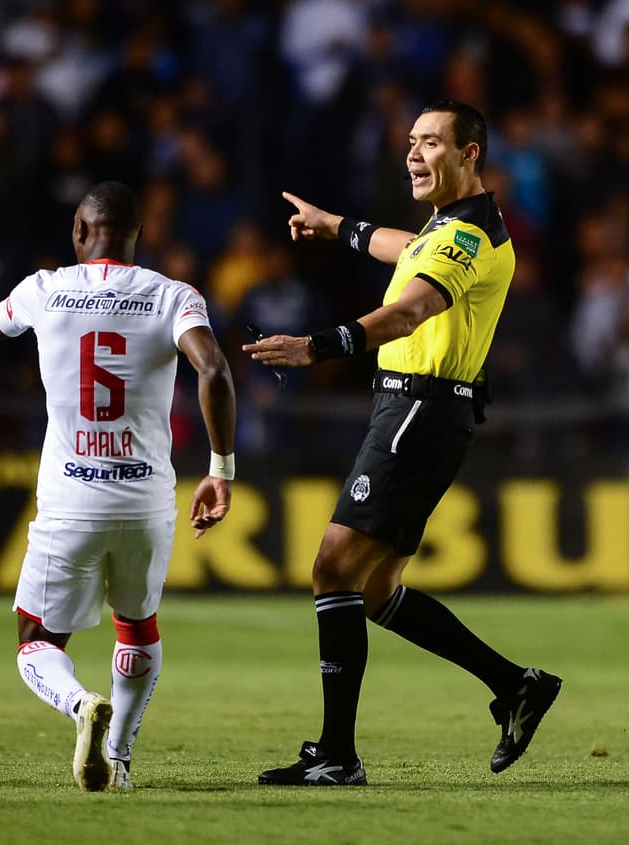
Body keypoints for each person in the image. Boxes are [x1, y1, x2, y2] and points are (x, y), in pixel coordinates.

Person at [246, 99, 561, 786]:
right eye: (411, 141)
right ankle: (515, 684)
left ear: (470, 153)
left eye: (431, 142)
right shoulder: (452, 226)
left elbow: (411, 307)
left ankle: (337, 754)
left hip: (419, 409)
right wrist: (338, 227)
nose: (414, 153)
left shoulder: (465, 237)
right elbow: (405, 246)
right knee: (374, 588)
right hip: (421, 410)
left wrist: (316, 346)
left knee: (333, 568)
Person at [0, 181, 236, 792]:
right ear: (139, 238)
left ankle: (78, 705)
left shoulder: (45, 289)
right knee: (139, 624)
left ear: (77, 232)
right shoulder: (173, 295)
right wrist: (220, 469)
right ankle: (117, 756)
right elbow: (214, 370)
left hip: (70, 502)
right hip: (147, 501)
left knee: (36, 638)